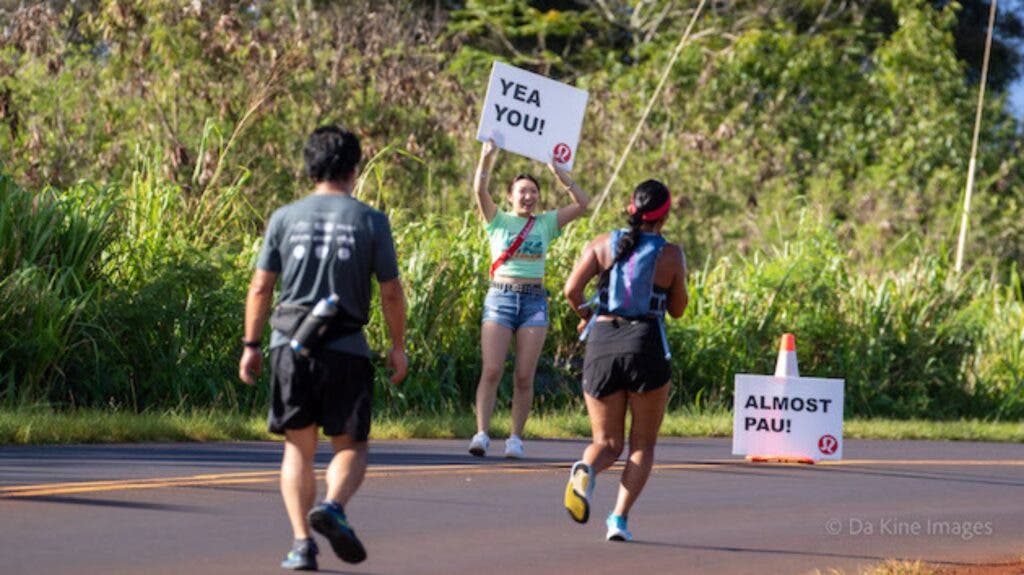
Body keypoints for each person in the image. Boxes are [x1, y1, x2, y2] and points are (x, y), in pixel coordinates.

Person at [238, 125, 407, 571]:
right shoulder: (370, 220)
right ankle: (332, 505)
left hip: (291, 346)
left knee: (298, 448)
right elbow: (391, 292)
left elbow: (260, 288)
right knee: (350, 445)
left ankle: (300, 544)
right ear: (355, 168)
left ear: (310, 166)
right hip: (346, 348)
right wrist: (397, 346)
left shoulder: (284, 217)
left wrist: (251, 345)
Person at [561, 179, 688, 542]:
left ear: (632, 207)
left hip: (602, 343)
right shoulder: (671, 254)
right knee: (642, 445)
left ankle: (586, 469)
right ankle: (618, 519)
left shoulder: (602, 243)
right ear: (664, 215)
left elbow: (571, 290)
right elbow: (677, 310)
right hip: (645, 344)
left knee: (606, 442)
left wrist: (586, 313)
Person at [468, 139, 589, 458]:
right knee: (492, 369)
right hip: (500, 297)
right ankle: (481, 433)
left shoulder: (546, 223)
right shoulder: (497, 220)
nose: (528, 196)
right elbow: (479, 191)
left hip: (534, 301)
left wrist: (561, 174)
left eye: (533, 191)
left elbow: (582, 203)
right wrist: (487, 156)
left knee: (524, 375)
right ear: (510, 196)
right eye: (522, 191)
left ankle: (515, 438)